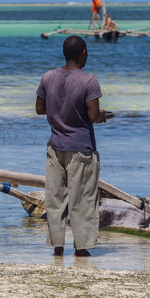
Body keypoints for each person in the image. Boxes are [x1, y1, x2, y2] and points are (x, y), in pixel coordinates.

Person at [35, 35, 109, 257]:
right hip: (81, 149)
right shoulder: (89, 81)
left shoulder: (48, 77)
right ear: (83, 53)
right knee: (83, 200)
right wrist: (104, 116)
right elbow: (93, 115)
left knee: (55, 199)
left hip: (55, 147)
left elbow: (40, 109)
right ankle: (81, 248)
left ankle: (58, 248)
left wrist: (60, 109)